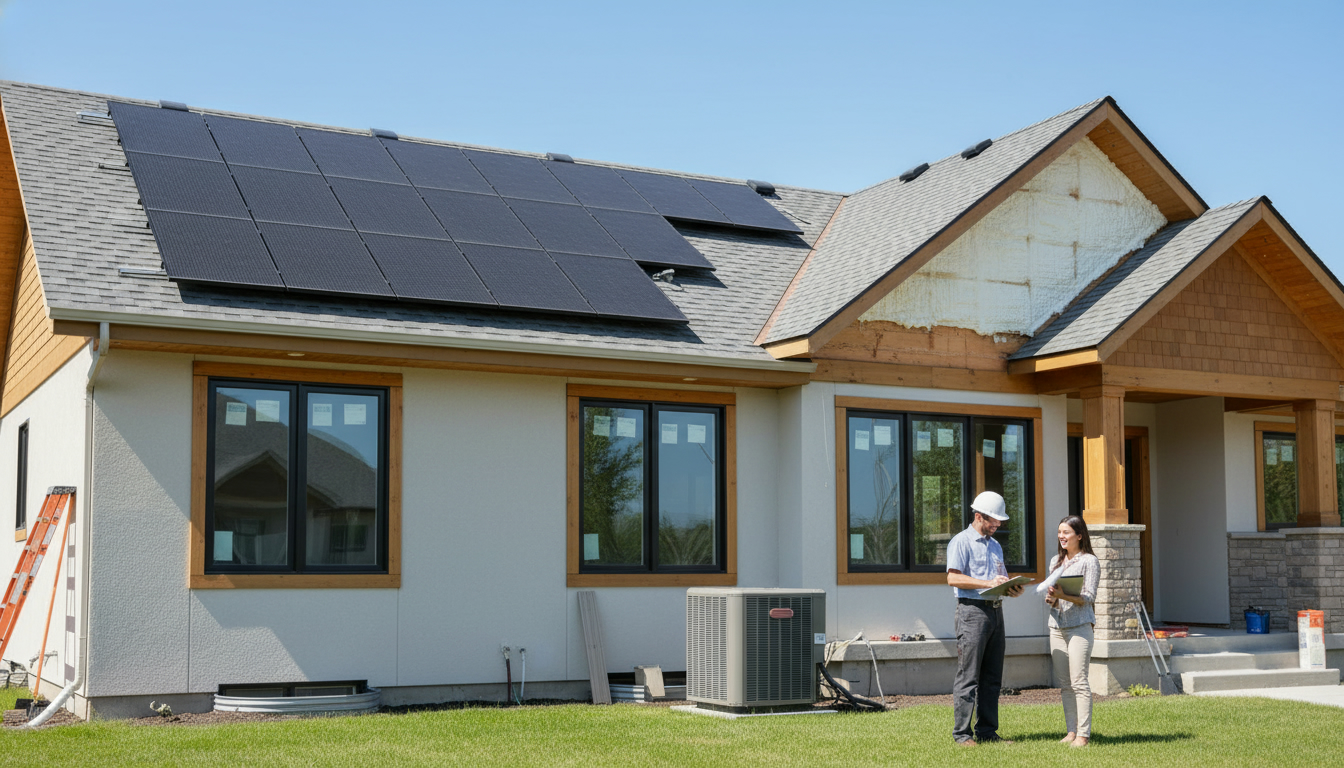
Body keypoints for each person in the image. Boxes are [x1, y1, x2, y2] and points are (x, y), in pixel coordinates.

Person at [946, 491, 1026, 746]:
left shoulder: (995, 545)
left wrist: (1010, 587)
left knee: (992, 678)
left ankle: (988, 732)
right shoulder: (961, 542)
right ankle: (962, 735)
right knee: (968, 676)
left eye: (1000, 521)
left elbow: (997, 577)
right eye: (994, 520)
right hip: (971, 612)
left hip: (995, 610)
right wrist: (986, 583)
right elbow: (953, 578)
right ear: (979, 516)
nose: (998, 524)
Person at [1044, 515, 1100, 748]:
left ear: (1079, 535)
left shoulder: (1089, 562)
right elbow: (1055, 601)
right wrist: (1052, 600)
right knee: (1065, 683)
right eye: (1059, 532)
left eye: (1066, 532)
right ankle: (1071, 731)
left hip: (1079, 627)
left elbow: (1088, 597)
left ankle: (1083, 735)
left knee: (1079, 682)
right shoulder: (1055, 561)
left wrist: (1062, 595)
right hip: (1056, 627)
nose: (1061, 536)